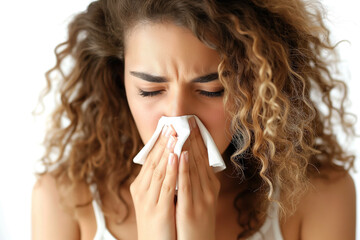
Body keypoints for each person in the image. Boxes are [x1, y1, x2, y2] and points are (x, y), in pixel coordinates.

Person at [31, 0, 357, 239]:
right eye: (149, 90)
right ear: (119, 82)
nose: (177, 118)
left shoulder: (319, 197)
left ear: (253, 87)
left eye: (212, 90)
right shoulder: (64, 202)